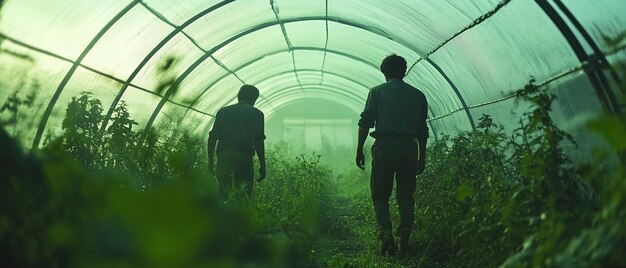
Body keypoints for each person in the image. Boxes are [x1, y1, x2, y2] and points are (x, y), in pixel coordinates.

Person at [355, 54, 428, 257]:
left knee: (380, 195)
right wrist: (422, 156)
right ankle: (404, 239)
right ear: (404, 71)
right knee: (406, 197)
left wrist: (359, 149)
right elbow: (422, 129)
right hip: (408, 148)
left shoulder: (377, 92)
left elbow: (365, 122)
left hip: (385, 148)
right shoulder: (418, 95)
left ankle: (385, 234)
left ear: (384, 72)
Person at [208, 85, 266, 203]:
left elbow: (212, 137)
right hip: (243, 159)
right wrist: (263, 165)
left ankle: (222, 220)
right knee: (243, 197)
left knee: (224, 195)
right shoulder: (257, 114)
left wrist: (210, 161)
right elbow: (258, 140)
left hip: (223, 158)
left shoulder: (223, 112)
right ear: (254, 99)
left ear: (238, 96)